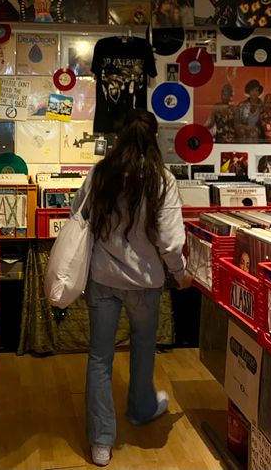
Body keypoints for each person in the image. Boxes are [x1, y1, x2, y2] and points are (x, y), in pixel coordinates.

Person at [70, 109, 191, 467]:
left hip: (102, 278)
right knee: (142, 346)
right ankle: (140, 409)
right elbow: (170, 242)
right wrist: (180, 273)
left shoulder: (100, 172)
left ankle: (101, 441)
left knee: (99, 357)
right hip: (145, 282)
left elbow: (79, 216)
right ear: (154, 138)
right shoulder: (162, 179)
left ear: (120, 136)